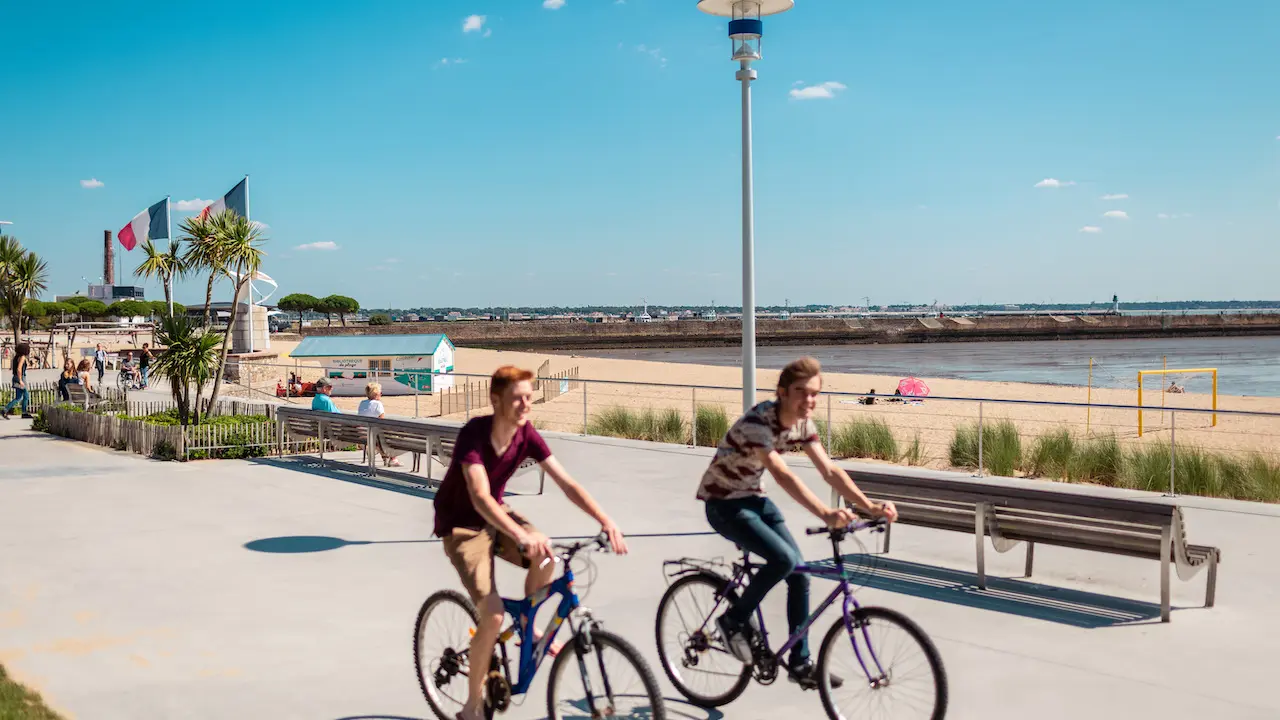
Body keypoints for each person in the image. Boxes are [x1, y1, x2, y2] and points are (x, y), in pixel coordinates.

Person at [433, 366, 628, 720]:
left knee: (547, 559)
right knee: (491, 617)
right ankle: (471, 706)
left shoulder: (526, 434)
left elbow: (566, 483)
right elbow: (479, 497)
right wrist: (522, 534)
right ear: (496, 400)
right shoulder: (474, 435)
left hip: (499, 516)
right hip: (462, 526)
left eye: (529, 397)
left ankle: (528, 625)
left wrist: (605, 520)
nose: (526, 404)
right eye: (517, 398)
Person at [697, 356, 898, 689]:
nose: (809, 401)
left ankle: (800, 662)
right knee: (784, 560)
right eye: (801, 392)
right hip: (722, 503)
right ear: (782, 392)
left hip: (753, 498)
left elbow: (830, 470)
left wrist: (869, 507)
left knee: (799, 573)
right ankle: (732, 620)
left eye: (815, 394)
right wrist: (826, 514)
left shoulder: (803, 425)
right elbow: (782, 473)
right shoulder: (758, 423)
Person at [357, 381, 403, 467]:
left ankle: (385, 457)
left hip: (362, 436)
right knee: (389, 435)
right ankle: (393, 458)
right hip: (374, 437)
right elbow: (382, 422)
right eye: (380, 392)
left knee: (380, 435)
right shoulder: (378, 404)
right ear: (376, 394)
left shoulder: (362, 403)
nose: (381, 394)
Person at [2, 342, 32, 420]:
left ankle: (5, 410)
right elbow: (19, 369)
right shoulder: (22, 357)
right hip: (20, 378)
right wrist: (20, 380)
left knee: (19, 397)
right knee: (25, 396)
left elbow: (22, 367)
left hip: (16, 377)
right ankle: (24, 412)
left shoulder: (16, 357)